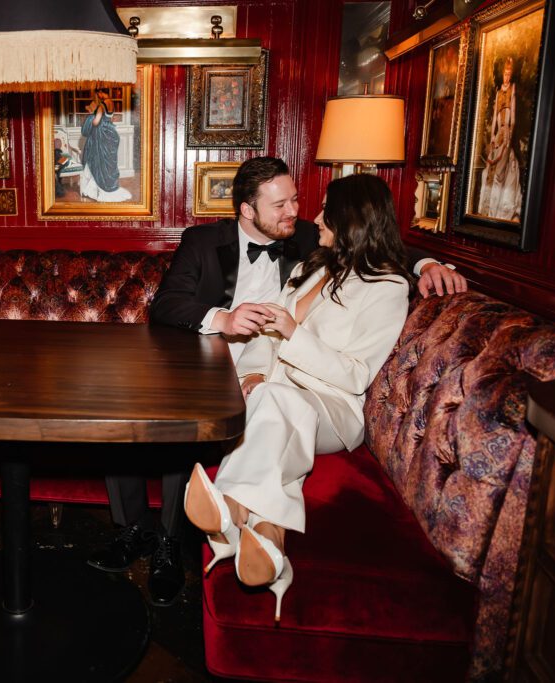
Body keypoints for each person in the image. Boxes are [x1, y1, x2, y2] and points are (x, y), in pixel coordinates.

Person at [86, 157, 467, 608]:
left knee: (233, 409)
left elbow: (378, 247)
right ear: (248, 210)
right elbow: (167, 305)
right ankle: (137, 530)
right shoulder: (205, 241)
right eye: (281, 204)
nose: (297, 212)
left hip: (290, 380)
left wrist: (427, 263)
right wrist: (225, 321)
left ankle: (181, 538)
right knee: (127, 395)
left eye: (298, 201)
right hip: (216, 358)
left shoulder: (310, 240)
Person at [183, 174, 412, 621]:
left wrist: (292, 334)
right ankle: (270, 540)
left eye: (328, 210)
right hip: (276, 396)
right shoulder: (314, 268)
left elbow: (355, 374)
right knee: (271, 403)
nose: (317, 217)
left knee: (277, 403)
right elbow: (266, 336)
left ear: (354, 219)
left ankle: (229, 506)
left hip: (332, 407)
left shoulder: (388, 288)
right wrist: (250, 373)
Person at [477, 57, 522, 221]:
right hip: (499, 133)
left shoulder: (512, 89)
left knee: (504, 168)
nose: (507, 77)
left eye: (509, 74)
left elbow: (513, 113)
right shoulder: (498, 93)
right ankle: (488, 207)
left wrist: (509, 132)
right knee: (492, 168)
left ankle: (500, 209)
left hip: (507, 131)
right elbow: (496, 114)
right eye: (505, 74)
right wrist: (493, 137)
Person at [79, 88, 132, 202]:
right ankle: (104, 186)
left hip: (100, 136)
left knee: (98, 161)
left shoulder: (101, 106)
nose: (99, 96)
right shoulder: (111, 103)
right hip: (111, 133)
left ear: (101, 93)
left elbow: (96, 122)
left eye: (99, 94)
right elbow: (110, 118)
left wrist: (90, 116)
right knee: (107, 163)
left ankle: (97, 189)